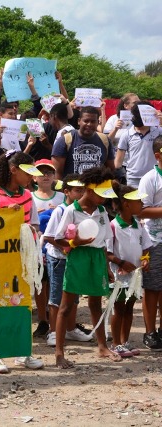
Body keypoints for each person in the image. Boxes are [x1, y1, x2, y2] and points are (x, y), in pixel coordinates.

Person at [0, 151, 45, 373]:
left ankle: (22, 352)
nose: (31, 177)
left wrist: (27, 231)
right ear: (13, 169)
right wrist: (6, 219)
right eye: (27, 172)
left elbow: (35, 225)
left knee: (23, 305)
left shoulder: (29, 195)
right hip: (0, 261)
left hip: (23, 261)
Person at [54, 167, 121, 368]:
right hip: (78, 257)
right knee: (65, 307)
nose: (104, 200)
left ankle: (102, 346)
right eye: (101, 195)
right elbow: (58, 239)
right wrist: (75, 243)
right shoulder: (71, 210)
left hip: (97, 258)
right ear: (89, 191)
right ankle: (59, 353)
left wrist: (108, 268)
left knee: (95, 304)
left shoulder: (102, 212)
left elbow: (103, 243)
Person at [42, 175, 93, 347]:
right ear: (66, 192)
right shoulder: (60, 210)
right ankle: (53, 332)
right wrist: (66, 246)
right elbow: (49, 236)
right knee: (56, 296)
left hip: (75, 259)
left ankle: (70, 329)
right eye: (77, 190)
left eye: (83, 190)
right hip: (59, 259)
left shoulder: (83, 211)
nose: (81, 194)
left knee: (74, 295)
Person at [107, 182, 151, 357]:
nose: (142, 205)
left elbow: (146, 246)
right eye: (139, 202)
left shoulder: (139, 225)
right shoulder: (113, 226)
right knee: (118, 307)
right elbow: (107, 252)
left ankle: (125, 341)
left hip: (134, 276)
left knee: (130, 306)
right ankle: (116, 343)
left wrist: (145, 259)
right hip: (119, 276)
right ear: (126, 204)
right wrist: (120, 262)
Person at [31, 159, 64, 338]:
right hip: (37, 246)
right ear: (33, 177)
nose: (45, 175)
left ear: (54, 176)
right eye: (41, 172)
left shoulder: (61, 197)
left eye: (49, 172)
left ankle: (56, 320)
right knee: (40, 283)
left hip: (57, 246)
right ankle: (42, 319)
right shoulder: (30, 196)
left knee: (54, 281)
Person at [137, 135, 162, 351]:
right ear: (157, 155)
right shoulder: (150, 178)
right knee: (152, 288)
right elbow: (140, 210)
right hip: (154, 240)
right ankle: (150, 332)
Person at [51, 106, 115, 180]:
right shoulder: (64, 141)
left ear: (98, 122)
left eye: (93, 121)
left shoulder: (105, 140)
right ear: (79, 121)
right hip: (73, 189)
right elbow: (58, 172)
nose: (89, 124)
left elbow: (111, 170)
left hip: (96, 188)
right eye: (86, 121)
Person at [115, 101, 162, 187]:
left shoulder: (158, 132)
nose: (134, 118)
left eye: (139, 115)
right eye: (134, 115)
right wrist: (118, 177)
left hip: (155, 178)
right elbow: (118, 161)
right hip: (133, 179)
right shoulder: (127, 134)